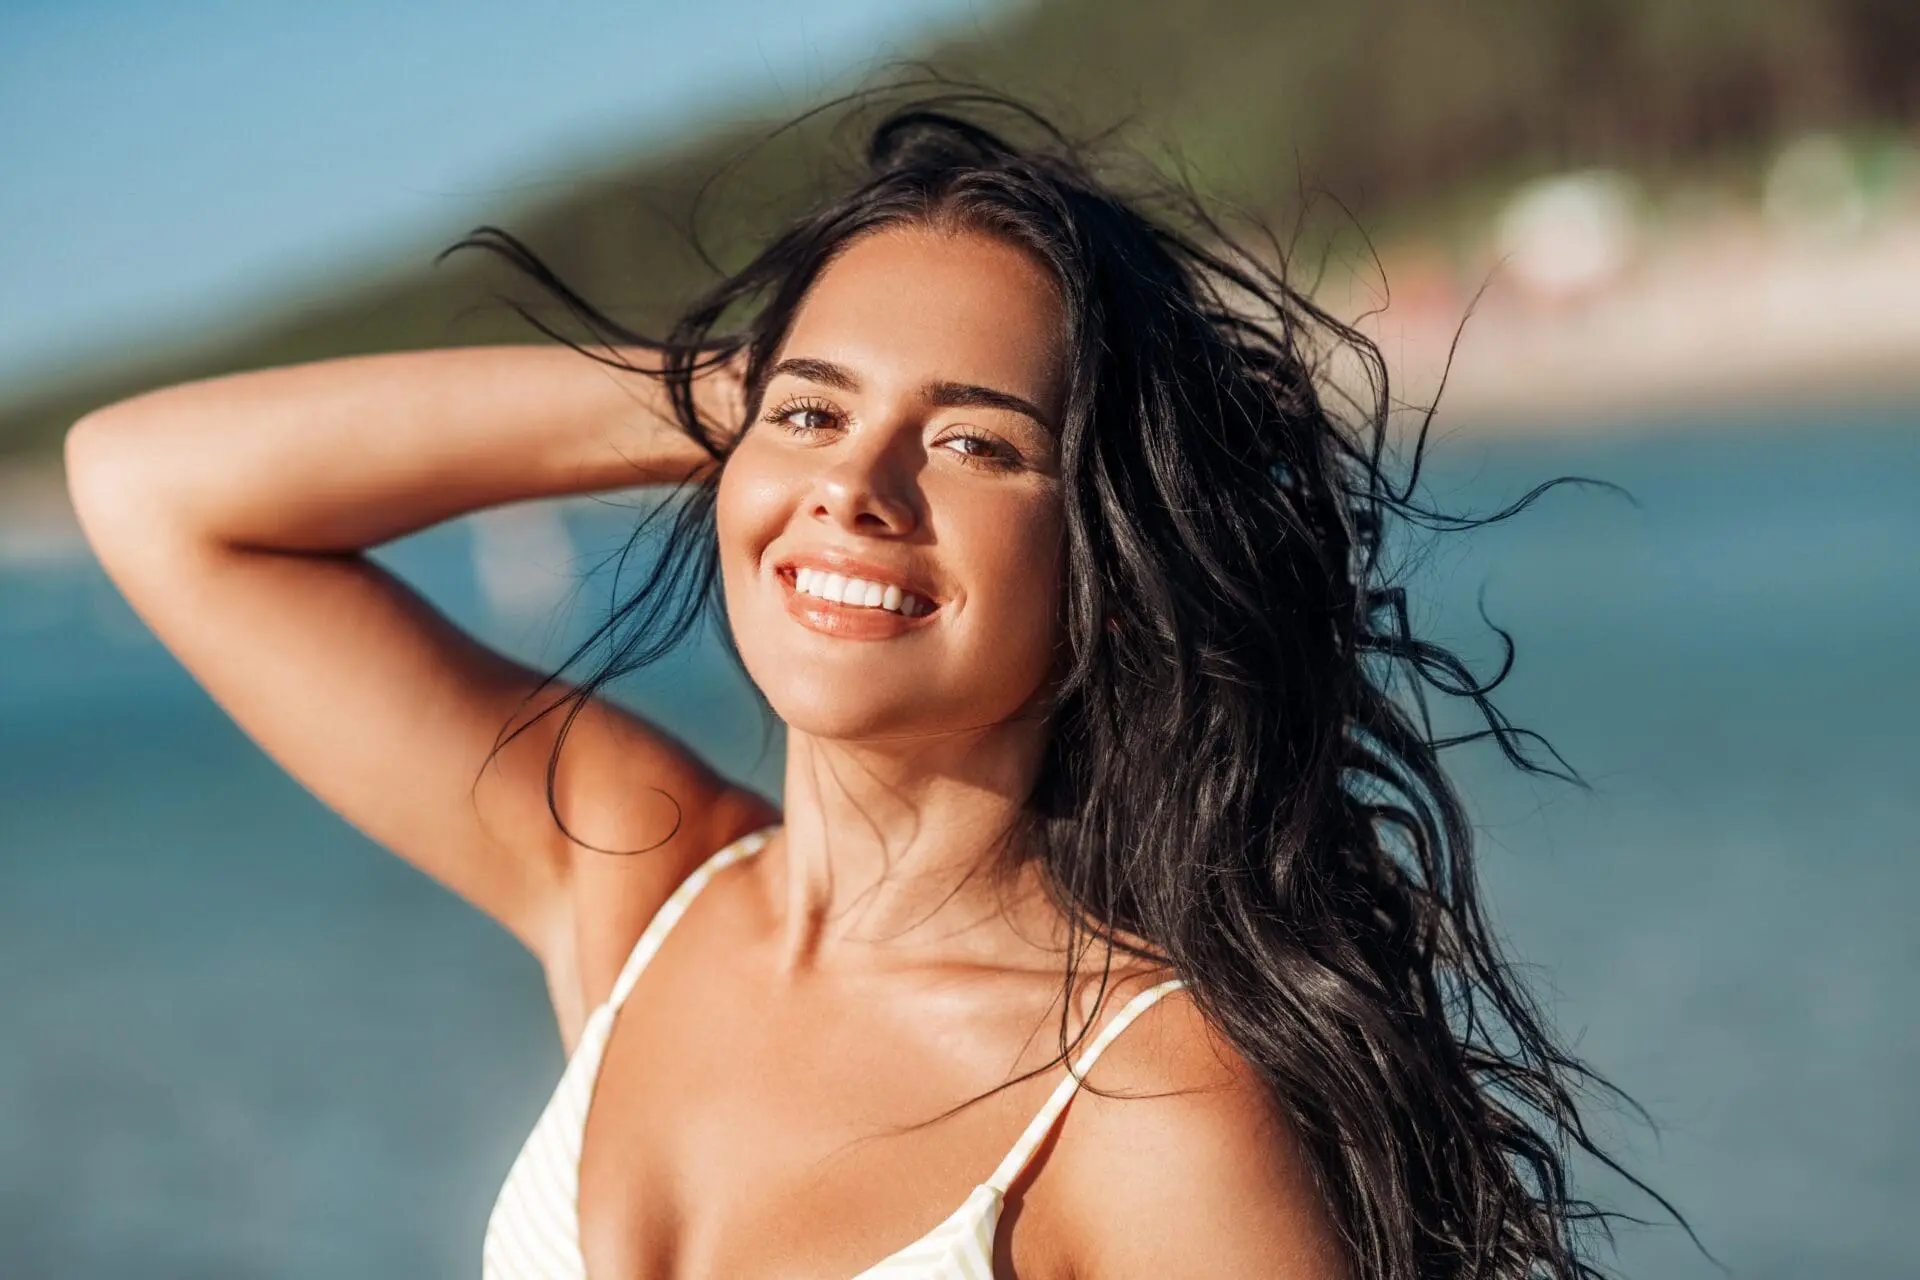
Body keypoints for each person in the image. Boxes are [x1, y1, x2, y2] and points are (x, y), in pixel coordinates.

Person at [64, 94, 1634, 1279]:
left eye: (976, 443)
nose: (859, 490)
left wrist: (805, 415)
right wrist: (742, 405)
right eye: (814, 419)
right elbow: (147, 487)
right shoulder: (637, 878)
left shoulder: (1144, 1097)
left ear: (1109, 557)